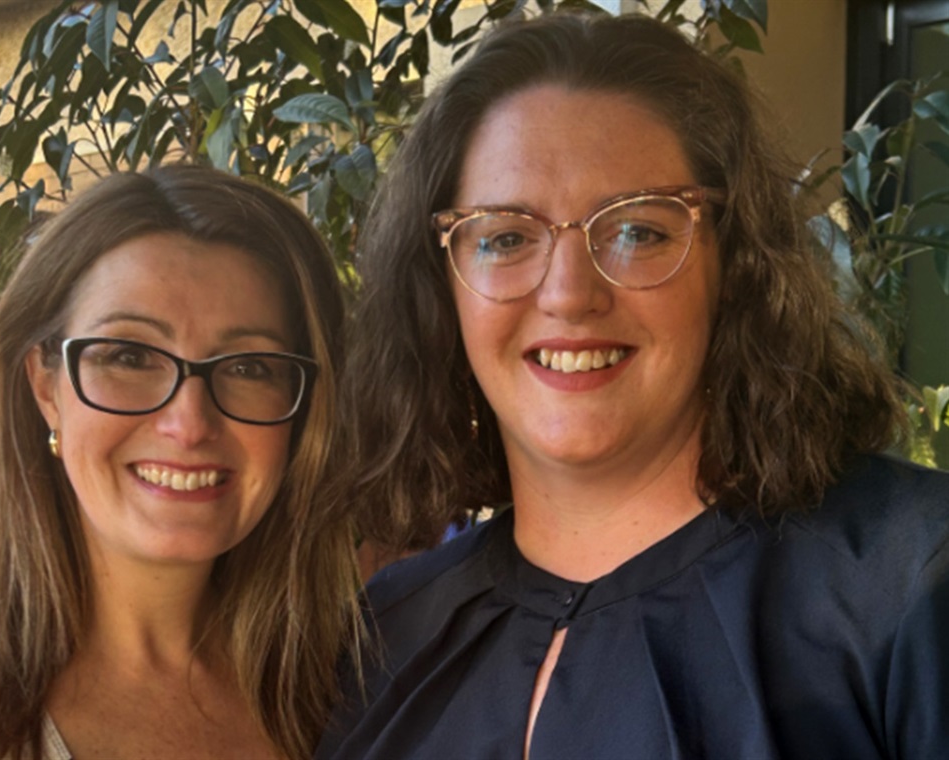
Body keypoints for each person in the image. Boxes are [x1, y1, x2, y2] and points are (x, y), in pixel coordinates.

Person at [317, 11, 949, 760]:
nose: (570, 294)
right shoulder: (381, 642)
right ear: (440, 285)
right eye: (506, 237)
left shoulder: (912, 586)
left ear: (735, 264)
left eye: (639, 230)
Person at [0, 164, 359, 760]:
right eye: (128, 355)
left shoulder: (346, 683)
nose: (190, 424)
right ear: (46, 387)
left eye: (250, 367)